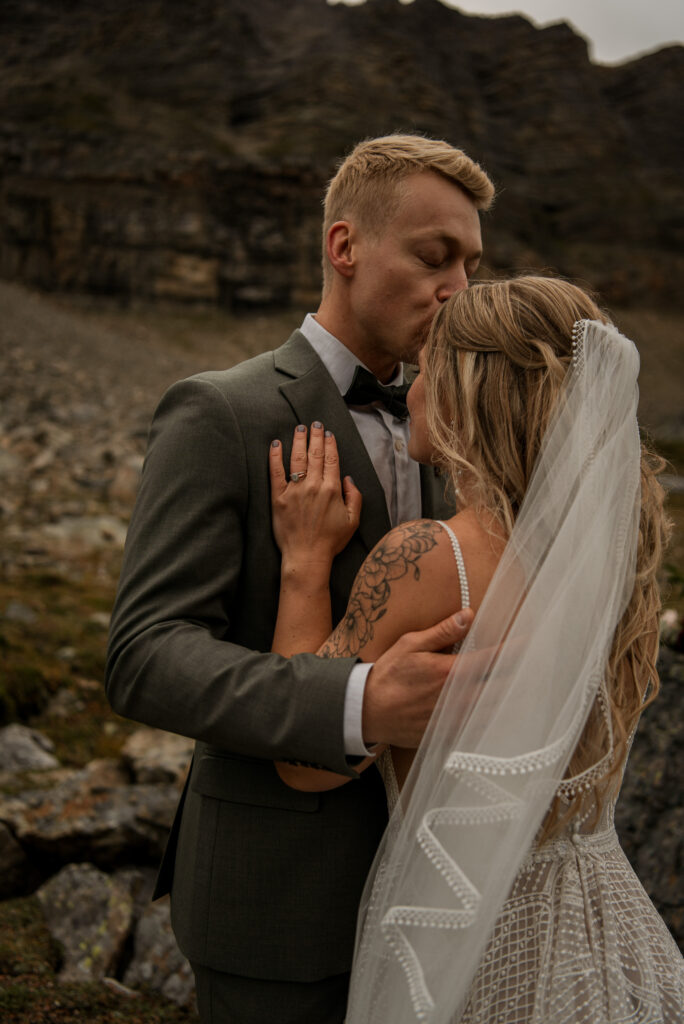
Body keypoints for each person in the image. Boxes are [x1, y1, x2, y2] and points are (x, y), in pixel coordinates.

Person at [104, 134, 495, 1024]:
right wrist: (357, 705)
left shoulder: (454, 428)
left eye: (471, 265)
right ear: (345, 247)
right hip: (275, 901)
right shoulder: (220, 412)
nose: (458, 290)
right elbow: (144, 655)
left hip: (429, 903)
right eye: (435, 256)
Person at [268, 276, 683, 1022]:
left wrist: (304, 562)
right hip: (608, 926)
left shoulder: (431, 557)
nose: (413, 389)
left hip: (471, 933)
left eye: (427, 370)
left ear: (465, 392)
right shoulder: (621, 562)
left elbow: (302, 761)